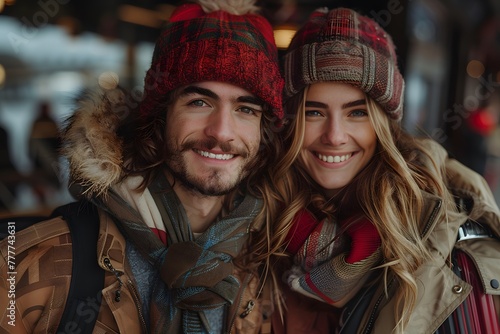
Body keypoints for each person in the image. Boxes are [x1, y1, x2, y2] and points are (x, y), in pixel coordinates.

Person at [0, 0, 284, 333]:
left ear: (263, 131)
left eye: (246, 109)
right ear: (160, 117)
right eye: (199, 102)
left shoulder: (269, 263)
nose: (221, 131)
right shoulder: (32, 260)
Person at [267, 7, 500, 333]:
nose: (334, 136)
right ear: (290, 122)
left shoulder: (451, 253)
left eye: (357, 113)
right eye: (314, 112)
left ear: (384, 126)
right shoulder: (257, 222)